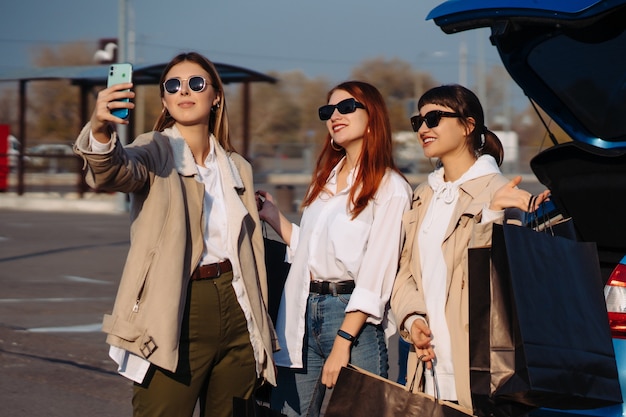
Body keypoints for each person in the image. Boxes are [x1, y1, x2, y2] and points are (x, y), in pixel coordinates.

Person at [73, 52, 277, 417]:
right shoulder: (156, 151)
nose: (185, 91)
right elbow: (114, 171)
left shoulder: (237, 167)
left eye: (196, 83)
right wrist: (102, 128)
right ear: (165, 100)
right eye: (173, 85)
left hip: (238, 307)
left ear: (216, 96)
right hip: (177, 309)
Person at [256, 81, 412, 417]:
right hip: (301, 310)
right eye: (327, 111)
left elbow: (376, 274)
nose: (334, 116)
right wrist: (274, 218)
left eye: (346, 107)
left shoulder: (391, 187)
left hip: (352, 318)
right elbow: (314, 253)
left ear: (373, 117)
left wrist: (343, 341)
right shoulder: (323, 182)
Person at [391, 84, 550, 410]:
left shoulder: (499, 190)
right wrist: (412, 320)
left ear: (468, 125)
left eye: (433, 118)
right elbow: (405, 269)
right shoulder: (424, 194)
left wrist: (493, 214)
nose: (423, 129)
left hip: (484, 368)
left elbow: (500, 280)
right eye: (417, 122)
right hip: (428, 365)